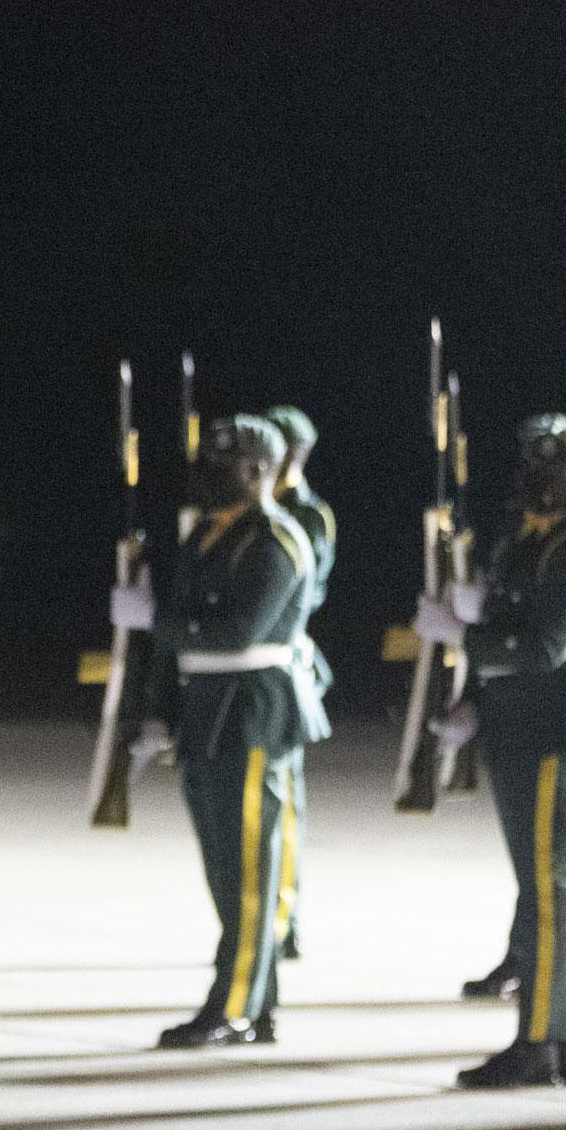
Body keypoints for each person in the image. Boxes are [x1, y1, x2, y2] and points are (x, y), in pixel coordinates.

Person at [423, 415, 566, 1089]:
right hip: (525, 722)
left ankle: (539, 1040)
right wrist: (476, 705)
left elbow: (540, 647)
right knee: (550, 888)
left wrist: (463, 636)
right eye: (535, 470)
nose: (542, 483)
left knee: (547, 889)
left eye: (558, 473)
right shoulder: (526, 541)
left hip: (557, 724)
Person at [139, 414, 324, 1049]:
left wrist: (158, 622)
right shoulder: (208, 536)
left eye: (227, 464)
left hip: (253, 709)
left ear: (259, 472)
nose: (211, 475)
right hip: (206, 709)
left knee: (249, 867)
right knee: (224, 866)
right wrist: (158, 710)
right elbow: (183, 640)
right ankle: (255, 997)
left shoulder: (276, 539)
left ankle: (236, 1005)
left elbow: (238, 630)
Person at [264, 405, 337, 964]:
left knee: (285, 806)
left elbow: (304, 594)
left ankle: (283, 918)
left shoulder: (308, 515)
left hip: (283, 660)